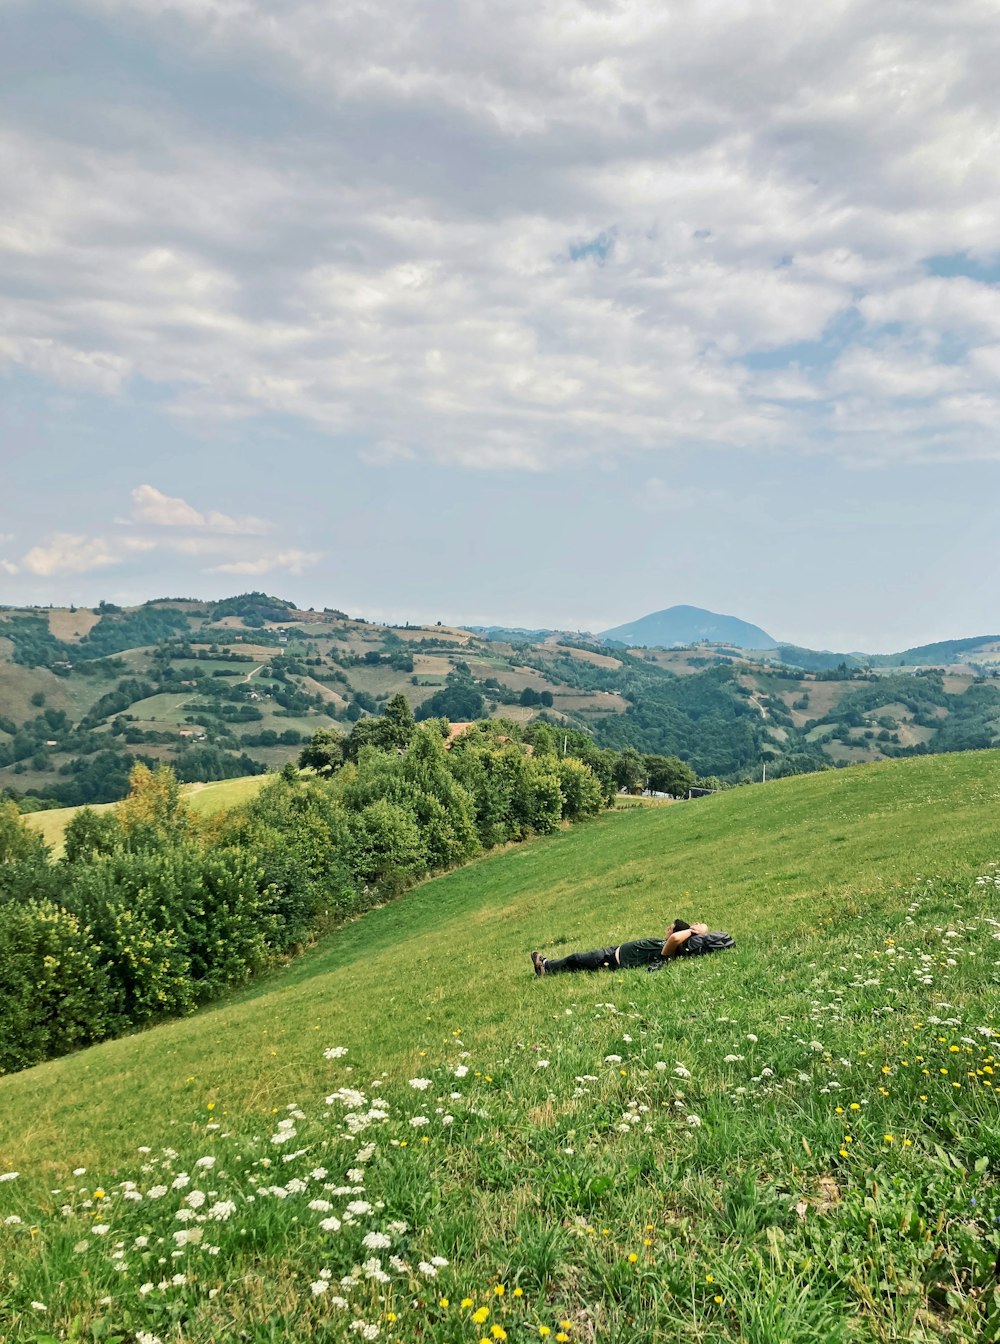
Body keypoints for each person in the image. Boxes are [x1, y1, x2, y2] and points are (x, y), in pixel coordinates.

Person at [530, 919, 735, 976]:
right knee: (578, 963)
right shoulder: (669, 944)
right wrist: (697, 928)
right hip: (612, 951)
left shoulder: (670, 947)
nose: (667, 930)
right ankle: (550, 967)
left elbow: (674, 939)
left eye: (670, 928)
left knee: (576, 958)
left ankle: (546, 966)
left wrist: (689, 931)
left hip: (610, 958)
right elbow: (704, 928)